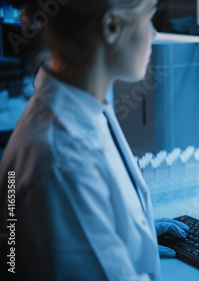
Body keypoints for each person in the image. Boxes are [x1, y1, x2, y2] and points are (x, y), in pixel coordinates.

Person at [0, 0, 188, 280]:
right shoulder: (62, 156)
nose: (154, 33)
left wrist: (135, 233)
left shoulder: (86, 107)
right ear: (111, 27)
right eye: (149, 19)